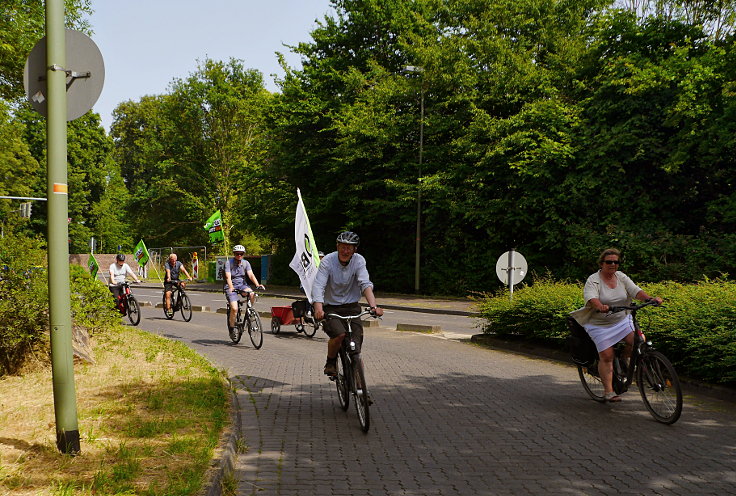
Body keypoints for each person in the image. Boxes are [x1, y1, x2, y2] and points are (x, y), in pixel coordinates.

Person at [573, 248, 662, 402]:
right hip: (599, 324)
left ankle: (625, 357)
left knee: (638, 341)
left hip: (621, 319)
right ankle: (609, 391)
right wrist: (599, 306)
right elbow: (590, 298)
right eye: (609, 262)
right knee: (606, 356)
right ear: (601, 263)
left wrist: (649, 299)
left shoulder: (621, 277)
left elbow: (635, 291)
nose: (613, 264)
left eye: (616, 262)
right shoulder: (593, 279)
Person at [312, 231, 383, 376]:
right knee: (339, 335)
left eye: (349, 248)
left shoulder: (359, 260)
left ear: (354, 249)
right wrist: (318, 309)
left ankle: (361, 389)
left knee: (356, 349)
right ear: (337, 246)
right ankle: (330, 362)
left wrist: (373, 307)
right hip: (331, 307)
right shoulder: (327, 261)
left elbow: (365, 284)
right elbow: (319, 286)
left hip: (352, 307)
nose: (345, 251)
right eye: (343, 247)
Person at [224, 244, 265, 331]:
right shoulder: (229, 263)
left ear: (244, 254)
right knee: (234, 309)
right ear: (234, 254)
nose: (239, 256)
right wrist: (231, 287)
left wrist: (258, 285)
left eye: (241, 254)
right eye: (237, 254)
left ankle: (250, 312)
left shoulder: (246, 263)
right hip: (231, 285)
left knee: (252, 294)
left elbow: (250, 275)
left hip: (242, 284)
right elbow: (228, 277)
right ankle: (231, 328)